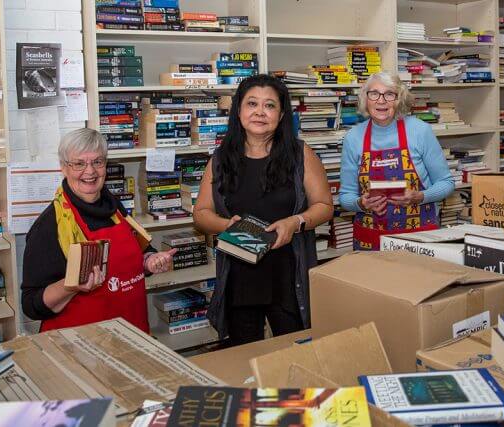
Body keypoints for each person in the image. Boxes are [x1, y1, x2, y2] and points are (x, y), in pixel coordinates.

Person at [193, 74, 333, 346]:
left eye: (269, 105)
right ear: (239, 111)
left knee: (296, 351)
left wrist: (296, 222)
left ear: (281, 115)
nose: (259, 112)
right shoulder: (220, 159)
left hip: (289, 275)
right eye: (251, 103)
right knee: (243, 357)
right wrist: (226, 227)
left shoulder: (301, 154)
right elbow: (201, 213)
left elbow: (325, 206)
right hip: (240, 275)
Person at [21, 128, 177, 333]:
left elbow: (141, 252)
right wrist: (71, 286)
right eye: (79, 163)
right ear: (64, 168)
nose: (90, 171)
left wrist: (150, 261)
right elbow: (31, 304)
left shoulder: (115, 208)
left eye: (97, 162)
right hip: (79, 347)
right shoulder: (50, 225)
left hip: (133, 335)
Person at [339, 72, 455, 250]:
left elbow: (446, 183)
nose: (381, 100)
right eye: (374, 94)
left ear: (399, 99)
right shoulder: (353, 138)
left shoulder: (420, 131)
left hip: (420, 239)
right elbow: (345, 196)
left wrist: (421, 196)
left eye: (389, 94)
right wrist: (361, 204)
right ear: (365, 99)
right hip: (371, 240)